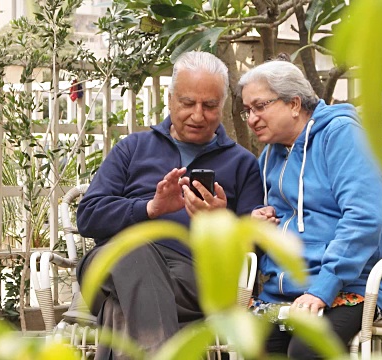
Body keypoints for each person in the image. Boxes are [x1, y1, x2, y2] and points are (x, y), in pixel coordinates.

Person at [76, 50, 264, 359]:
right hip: (110, 266)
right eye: (188, 103)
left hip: (191, 279)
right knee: (132, 248)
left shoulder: (242, 163)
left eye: (210, 105)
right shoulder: (132, 149)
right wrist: (149, 209)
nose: (198, 115)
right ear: (170, 98)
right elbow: (88, 216)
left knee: (119, 309)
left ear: (223, 105)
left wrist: (220, 223)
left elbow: (254, 248)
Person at [237, 60, 382, 359]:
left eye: (260, 106)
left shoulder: (342, 135)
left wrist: (321, 289)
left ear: (294, 103)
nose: (252, 118)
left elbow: (363, 218)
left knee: (307, 349)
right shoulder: (272, 154)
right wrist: (255, 222)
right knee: (252, 343)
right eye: (248, 110)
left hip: (353, 289)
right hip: (288, 294)